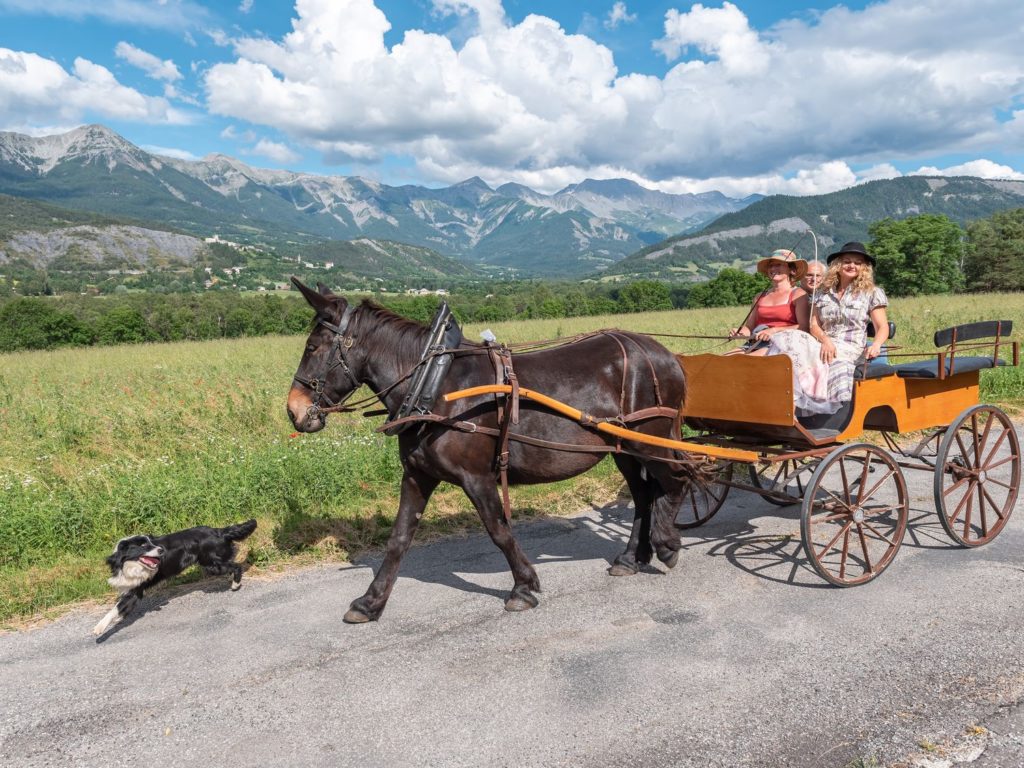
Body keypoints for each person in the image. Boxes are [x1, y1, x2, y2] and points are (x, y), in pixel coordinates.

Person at [767, 242, 889, 414]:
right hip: (823, 343)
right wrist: (825, 340)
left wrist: (876, 345)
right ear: (838, 265)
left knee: (831, 361)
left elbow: (882, 326)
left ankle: (803, 409)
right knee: (788, 338)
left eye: (857, 262)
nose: (851, 265)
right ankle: (785, 404)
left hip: (850, 348)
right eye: (847, 261)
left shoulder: (872, 292)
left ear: (864, 268)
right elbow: (813, 324)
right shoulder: (823, 292)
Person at [727, 249, 810, 356]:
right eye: (771, 265)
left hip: (782, 344)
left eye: (779, 265)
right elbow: (749, 328)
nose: (773, 268)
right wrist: (739, 332)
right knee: (721, 360)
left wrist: (773, 331)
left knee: (744, 361)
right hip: (756, 343)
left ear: (792, 270)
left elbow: (804, 327)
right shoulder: (759, 296)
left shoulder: (798, 294)